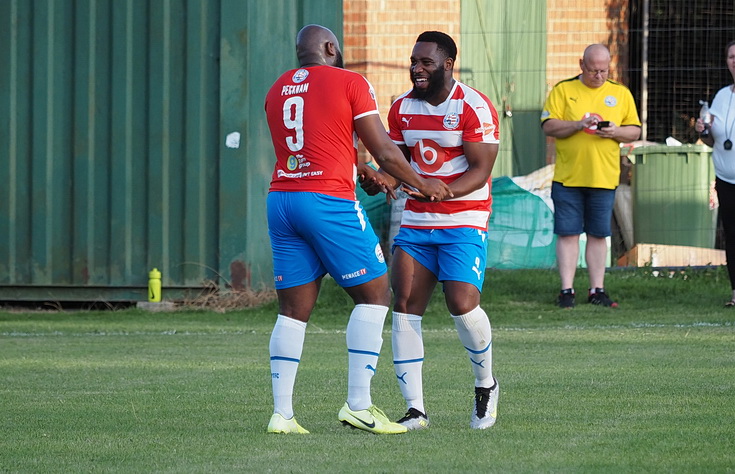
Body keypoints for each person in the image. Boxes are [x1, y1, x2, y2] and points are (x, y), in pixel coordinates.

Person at [263, 24, 453, 435]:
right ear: (331, 48)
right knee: (375, 295)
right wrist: (423, 183)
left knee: (293, 311)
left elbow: (316, 141)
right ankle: (359, 405)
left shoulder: (277, 88)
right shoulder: (350, 81)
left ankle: (282, 414)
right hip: (327, 201)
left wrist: (361, 168)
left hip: (282, 199)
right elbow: (384, 147)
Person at [362, 31, 500, 430]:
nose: (416, 69)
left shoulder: (475, 106)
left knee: (461, 302)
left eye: (425, 63)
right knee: (404, 304)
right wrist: (381, 180)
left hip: (465, 218)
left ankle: (485, 385)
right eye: (413, 62)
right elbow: (398, 163)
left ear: (447, 65)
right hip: (418, 219)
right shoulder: (401, 109)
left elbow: (480, 171)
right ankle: (416, 410)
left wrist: (442, 193)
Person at [541, 44, 641, 309]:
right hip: (568, 177)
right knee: (568, 234)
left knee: (598, 234)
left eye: (604, 70)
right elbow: (548, 125)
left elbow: (635, 131)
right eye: (593, 70)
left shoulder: (620, 93)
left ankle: (597, 289)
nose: (599, 75)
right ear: (581, 65)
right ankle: (567, 291)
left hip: (603, 177)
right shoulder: (563, 90)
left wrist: (615, 132)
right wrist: (577, 125)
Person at [694, 40, 735, 307]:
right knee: (731, 236)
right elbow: (713, 141)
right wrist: (702, 130)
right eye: (732, 56)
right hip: (726, 180)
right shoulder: (721, 96)